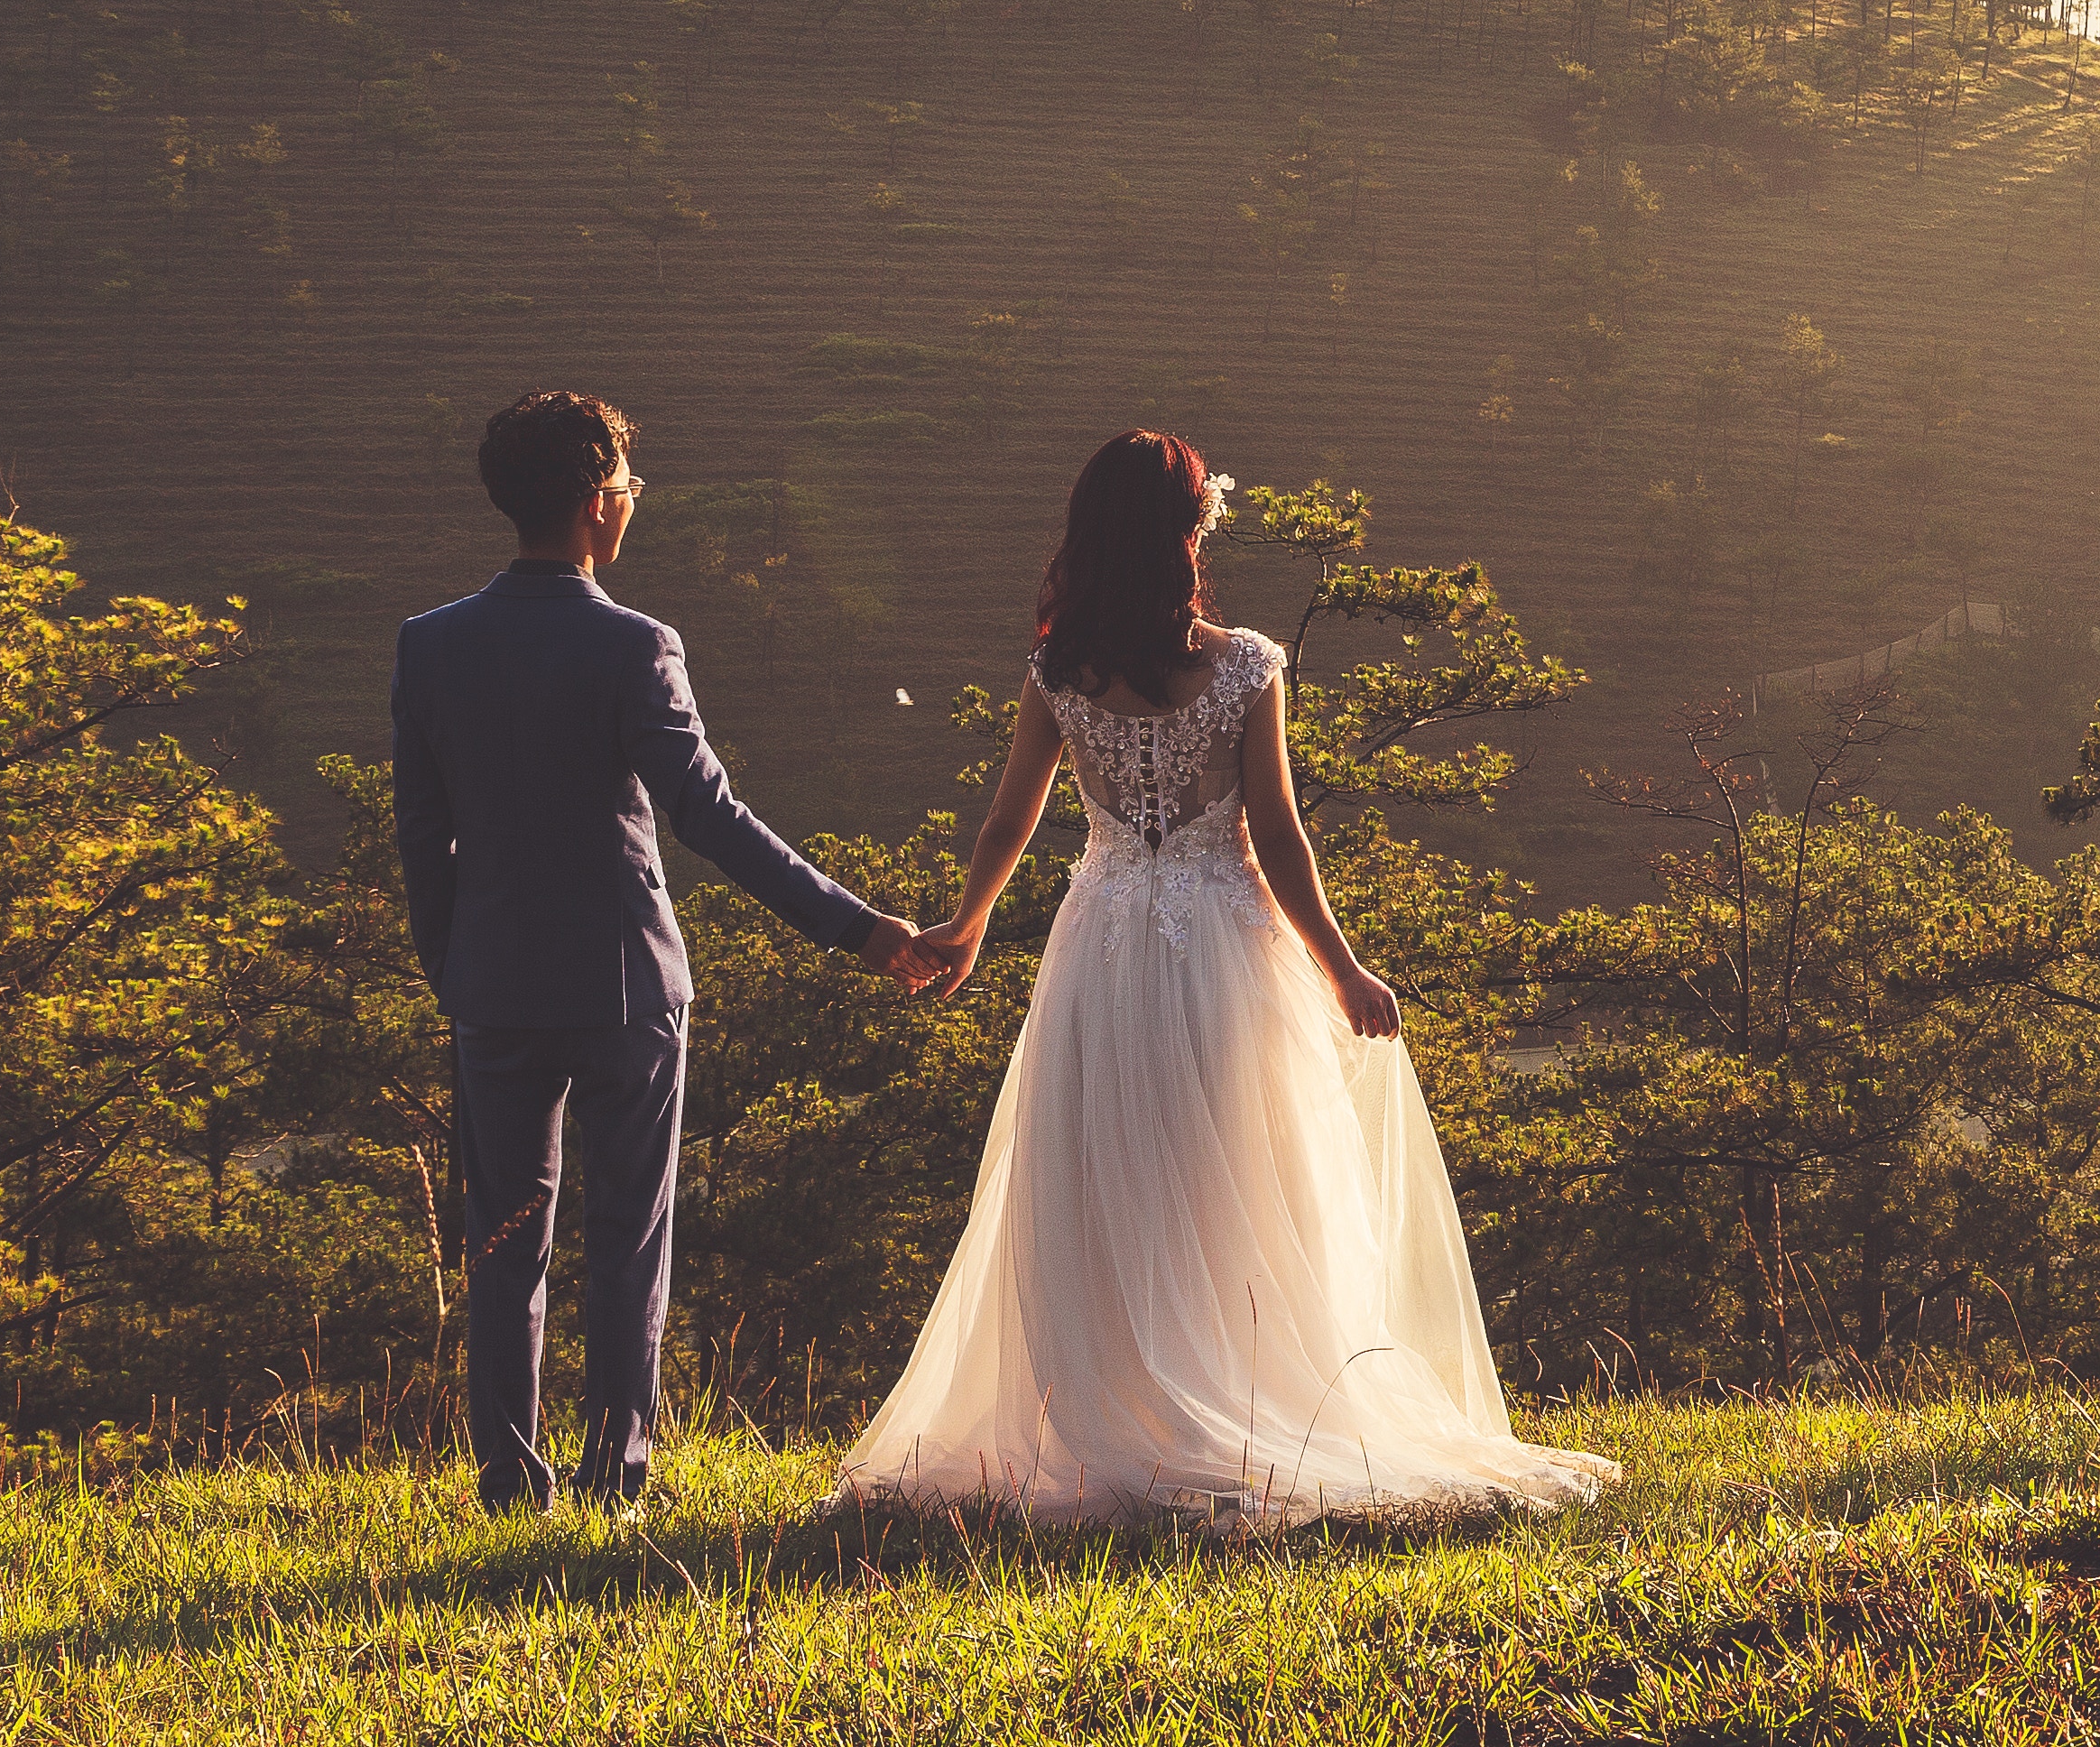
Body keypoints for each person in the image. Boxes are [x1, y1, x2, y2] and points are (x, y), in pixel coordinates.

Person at [837, 430, 1615, 1525]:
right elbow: (1277, 837)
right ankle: (1240, 1395)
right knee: (1240, 1175)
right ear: (1189, 535)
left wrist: (968, 925)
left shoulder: (1060, 674)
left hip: (1100, 943)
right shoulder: (1246, 664)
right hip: (1223, 945)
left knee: (1111, 1178)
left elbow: (1010, 816)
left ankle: (1125, 1407)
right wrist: (1340, 969)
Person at [394, 389, 937, 1516]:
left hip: (492, 986)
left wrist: (454, 967)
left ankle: (508, 1481)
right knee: (627, 1239)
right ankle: (614, 1480)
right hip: (624, 986)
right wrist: (859, 926)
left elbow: (421, 834)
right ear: (601, 504)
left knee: (504, 1239)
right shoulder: (635, 644)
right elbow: (709, 816)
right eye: (632, 488)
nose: (634, 505)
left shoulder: (431, 644)